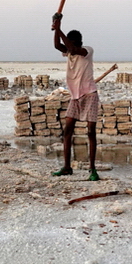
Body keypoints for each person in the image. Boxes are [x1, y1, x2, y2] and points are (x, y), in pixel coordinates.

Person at [51, 15, 99, 181]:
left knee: (91, 131)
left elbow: (72, 48)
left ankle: (92, 169)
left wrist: (58, 28)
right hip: (75, 97)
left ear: (79, 42)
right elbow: (58, 45)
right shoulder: (69, 53)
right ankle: (66, 167)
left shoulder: (86, 51)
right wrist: (57, 29)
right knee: (67, 131)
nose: (70, 46)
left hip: (90, 95)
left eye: (73, 43)